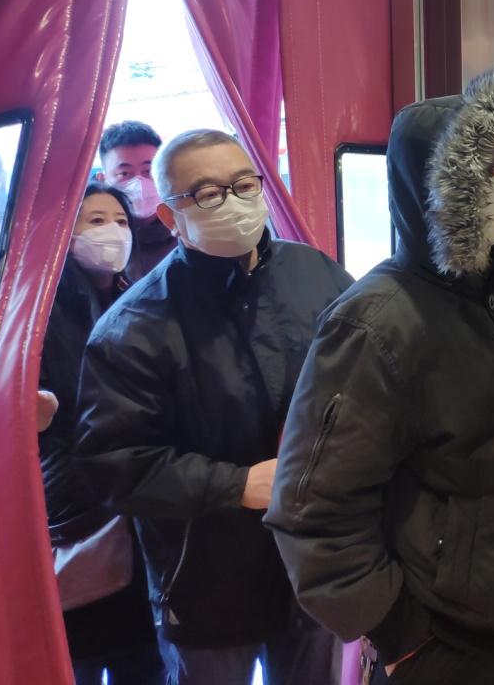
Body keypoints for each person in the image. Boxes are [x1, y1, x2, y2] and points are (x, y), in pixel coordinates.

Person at [267, 71, 494, 685]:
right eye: (492, 170)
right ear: (443, 188)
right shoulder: (375, 323)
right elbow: (315, 511)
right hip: (448, 651)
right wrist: (400, 633)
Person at [75, 130, 352, 685]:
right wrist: (236, 484)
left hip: (314, 563)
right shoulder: (132, 327)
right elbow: (112, 464)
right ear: (171, 216)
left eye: (244, 184)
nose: (232, 201)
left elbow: (362, 382)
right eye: (207, 193)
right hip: (204, 583)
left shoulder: (317, 273)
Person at [40, 182, 163, 685]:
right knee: (82, 656)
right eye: (95, 221)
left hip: (137, 507)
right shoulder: (43, 313)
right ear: (63, 234)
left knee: (144, 656)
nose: (113, 231)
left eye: (120, 221)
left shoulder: (140, 299)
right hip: (81, 512)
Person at [98, 120, 177, 281]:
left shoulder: (188, 229)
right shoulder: (93, 237)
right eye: (124, 173)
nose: (139, 183)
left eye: (149, 171)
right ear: (103, 180)